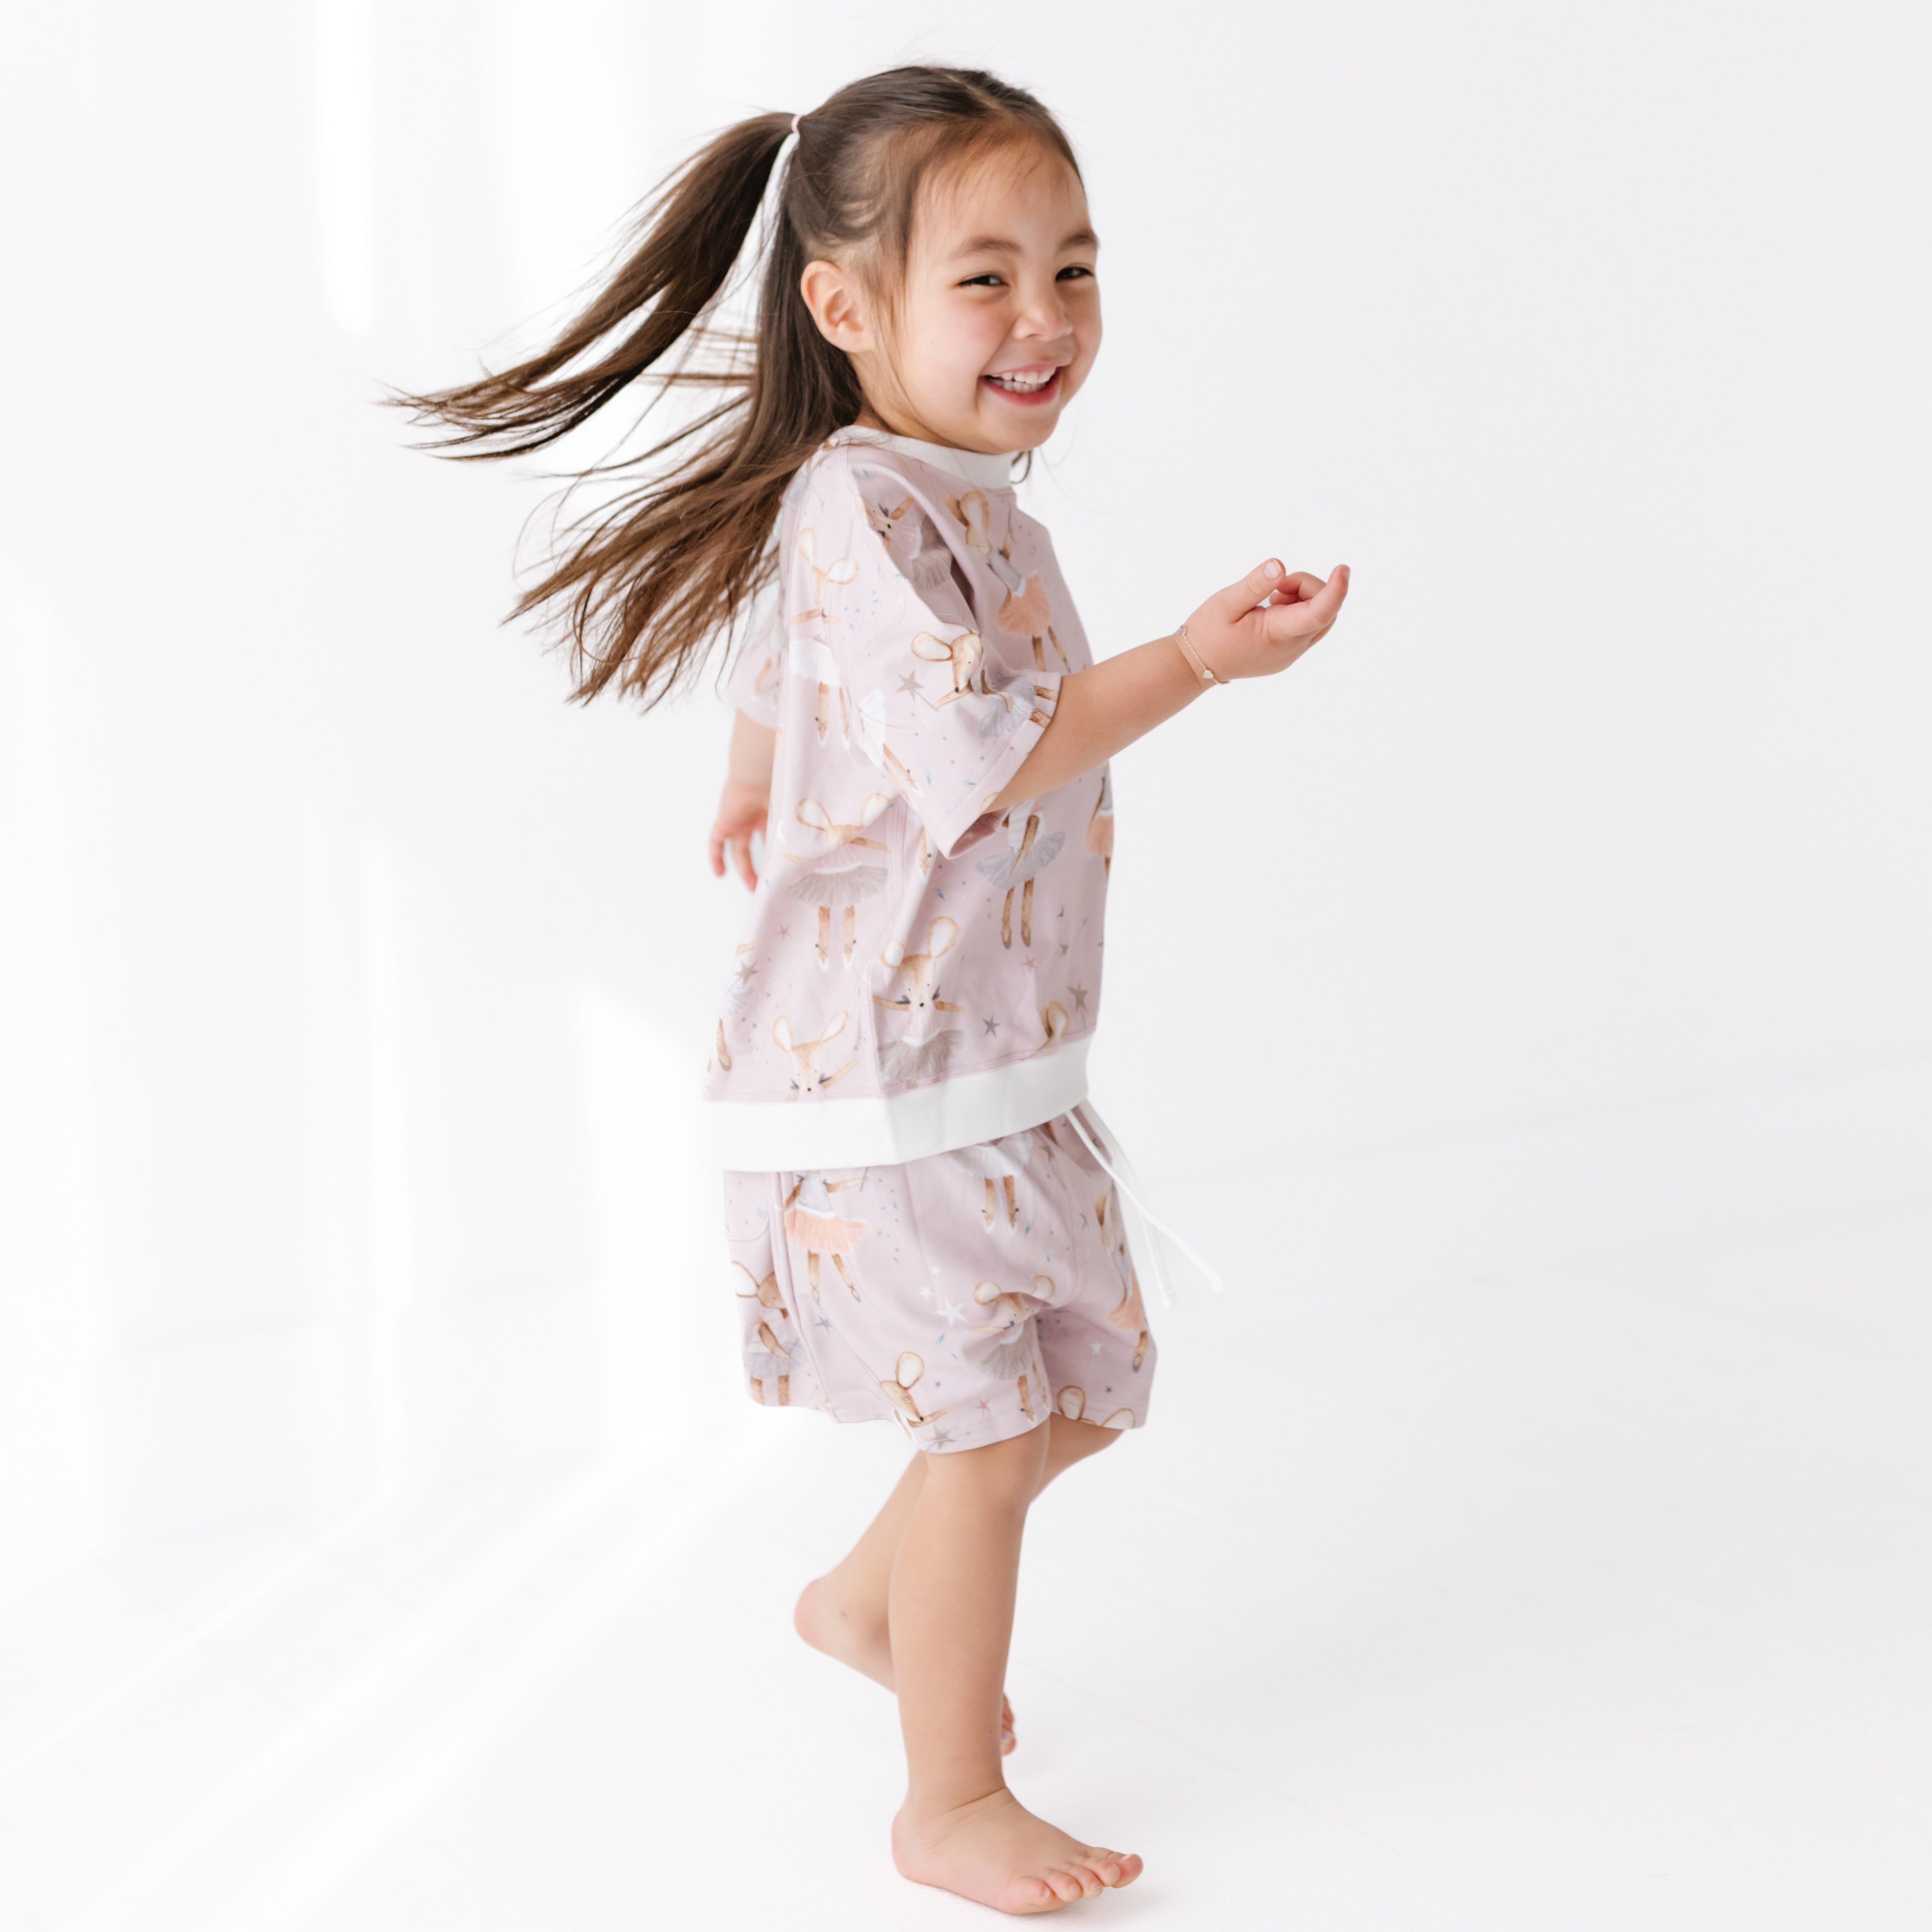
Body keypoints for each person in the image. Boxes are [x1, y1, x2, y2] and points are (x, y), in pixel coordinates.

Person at [402, 63, 1347, 1916]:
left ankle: (860, 1604)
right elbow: (993, 750)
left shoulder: (944, 498)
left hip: (994, 1062)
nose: (1046, 318)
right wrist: (1198, 663)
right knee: (988, 1432)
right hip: (885, 1080)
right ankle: (946, 1797)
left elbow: (803, 636)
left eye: (1074, 269)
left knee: (1080, 1388)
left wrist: (759, 757)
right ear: (848, 309)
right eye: (985, 277)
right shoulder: (868, 495)